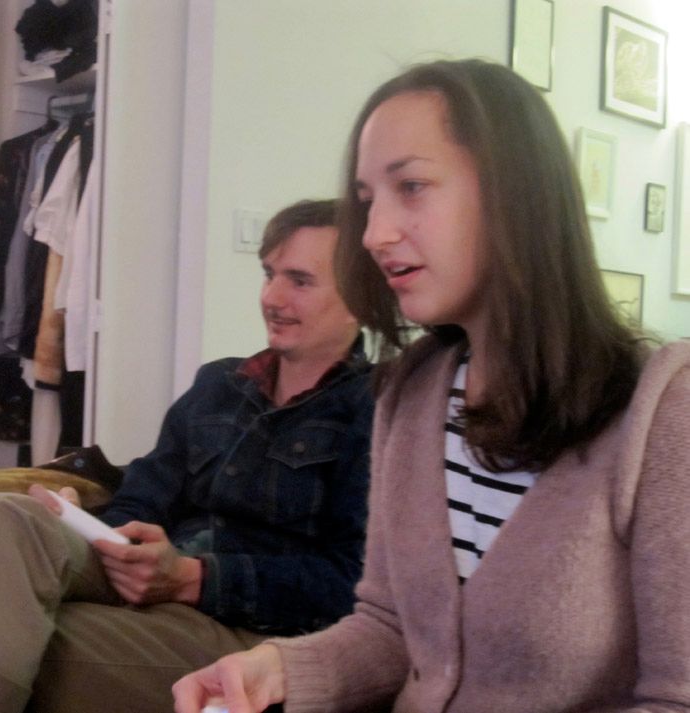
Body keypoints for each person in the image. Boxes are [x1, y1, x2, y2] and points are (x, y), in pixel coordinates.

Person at [173, 59, 690, 713]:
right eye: (368, 200)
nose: (373, 234)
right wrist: (277, 669)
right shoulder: (411, 393)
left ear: (515, 193)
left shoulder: (663, 410)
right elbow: (392, 630)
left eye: (412, 186)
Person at [0, 198, 375, 713]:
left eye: (299, 281)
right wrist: (90, 527)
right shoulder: (219, 384)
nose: (272, 297)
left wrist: (196, 579)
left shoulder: (376, 409)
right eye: (269, 274)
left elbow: (353, 585)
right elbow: (145, 495)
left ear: (360, 298)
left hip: (254, 635)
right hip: (147, 582)